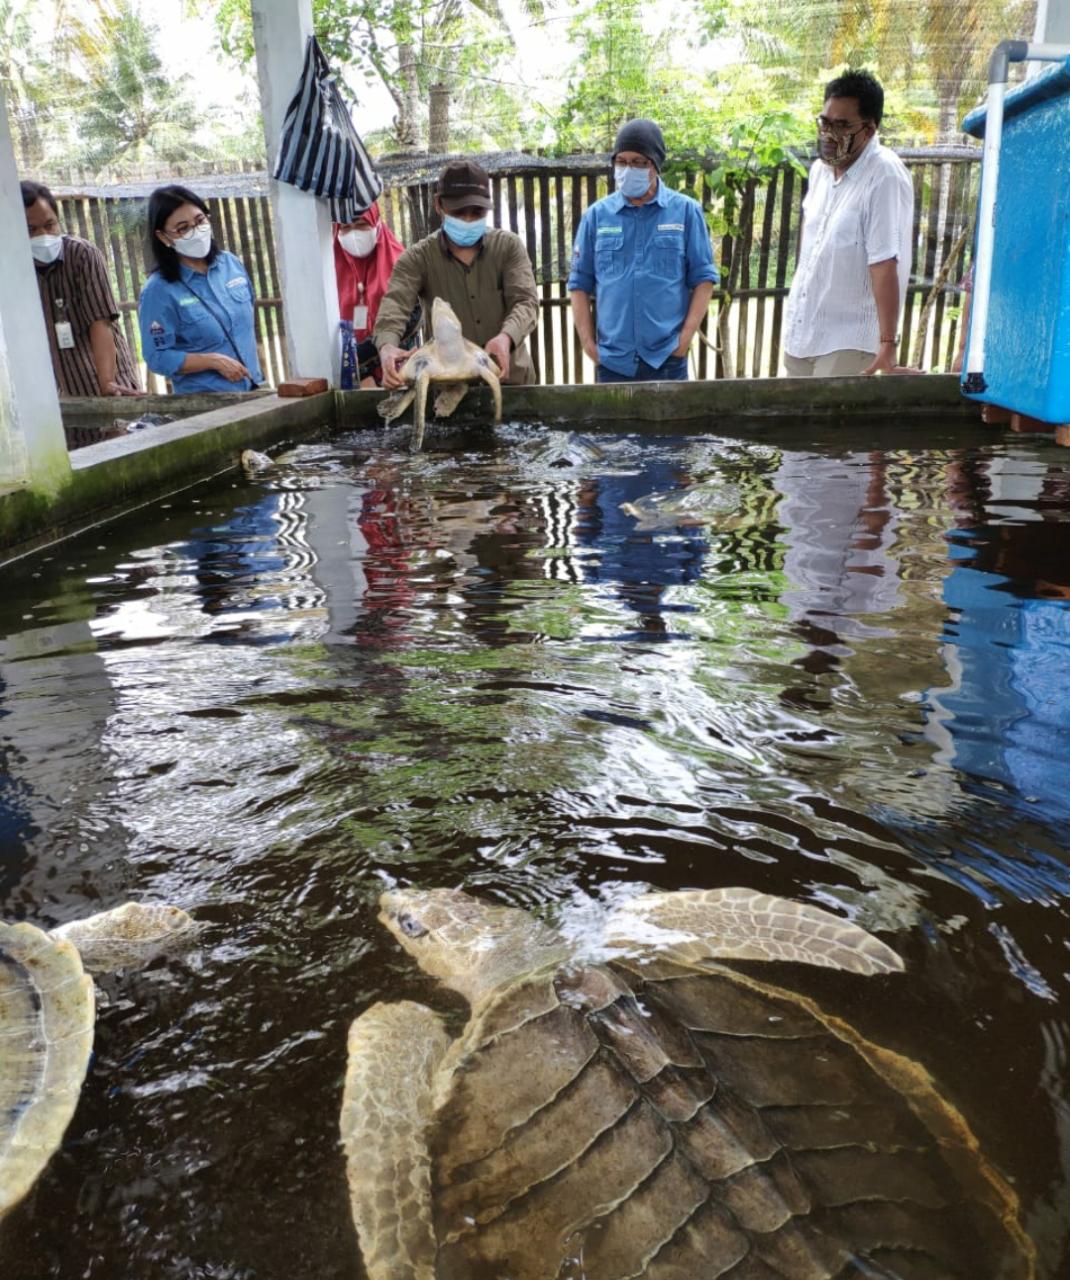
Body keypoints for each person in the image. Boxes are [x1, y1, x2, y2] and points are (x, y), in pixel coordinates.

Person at [782, 70, 914, 377]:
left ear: (869, 129)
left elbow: (884, 263)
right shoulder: (819, 172)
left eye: (842, 126)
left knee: (829, 425)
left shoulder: (884, 176)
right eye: (825, 122)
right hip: (805, 334)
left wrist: (887, 344)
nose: (829, 133)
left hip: (851, 341)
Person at [566, 119, 718, 383]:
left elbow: (704, 279)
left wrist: (684, 340)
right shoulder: (596, 217)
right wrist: (589, 346)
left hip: (667, 358)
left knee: (670, 425)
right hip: (613, 362)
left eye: (639, 162)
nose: (628, 169)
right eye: (621, 161)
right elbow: (579, 284)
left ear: (656, 166)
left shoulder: (685, 211)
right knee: (614, 426)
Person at [374, 160, 538, 389]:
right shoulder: (417, 258)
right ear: (439, 205)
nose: (468, 220)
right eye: (459, 212)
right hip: (450, 389)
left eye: (477, 212)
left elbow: (526, 302)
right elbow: (394, 305)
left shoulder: (509, 247)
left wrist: (506, 337)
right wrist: (387, 347)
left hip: (510, 382)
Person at [138, 184, 263, 395]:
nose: (196, 231)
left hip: (254, 390)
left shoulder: (230, 265)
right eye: (183, 228)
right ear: (163, 237)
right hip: (206, 403)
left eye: (199, 220)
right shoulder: (158, 290)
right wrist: (210, 361)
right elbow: (156, 357)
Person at [22, 180, 141, 398]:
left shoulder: (82, 255)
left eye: (50, 225)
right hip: (56, 396)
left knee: (119, 428)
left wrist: (107, 383)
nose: (43, 235)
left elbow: (100, 322)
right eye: (31, 230)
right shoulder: (13, 269)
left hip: (106, 382)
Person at [334, 202, 417, 388]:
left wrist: (367, 359)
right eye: (346, 227)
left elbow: (412, 317)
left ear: (377, 223)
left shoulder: (400, 262)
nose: (354, 234)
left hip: (398, 366)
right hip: (351, 373)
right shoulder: (330, 268)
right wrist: (359, 372)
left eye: (362, 224)